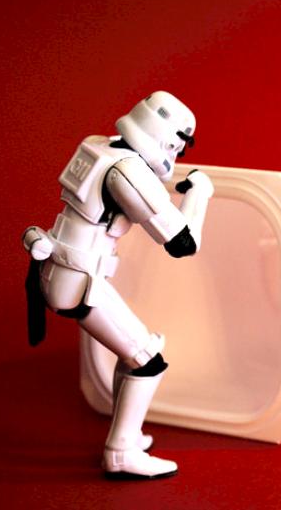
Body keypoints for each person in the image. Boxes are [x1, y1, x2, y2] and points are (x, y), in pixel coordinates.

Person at [23, 91, 214, 479]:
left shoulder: (101, 146)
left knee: (135, 355)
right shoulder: (127, 171)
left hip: (60, 270)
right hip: (79, 281)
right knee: (148, 358)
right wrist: (200, 194)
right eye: (180, 141)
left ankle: (126, 435)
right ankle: (121, 452)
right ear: (166, 134)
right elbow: (183, 243)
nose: (179, 151)